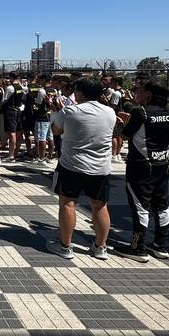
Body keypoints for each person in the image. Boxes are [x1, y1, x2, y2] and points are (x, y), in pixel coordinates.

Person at [48, 77, 116, 261]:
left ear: (82, 93)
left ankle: (65, 246)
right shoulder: (110, 112)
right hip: (100, 167)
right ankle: (100, 247)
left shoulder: (70, 111)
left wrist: (58, 110)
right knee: (100, 206)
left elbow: (56, 130)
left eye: (76, 90)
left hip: (72, 165)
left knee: (68, 204)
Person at [113, 81, 169, 262]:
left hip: (140, 165)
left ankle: (138, 248)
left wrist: (121, 122)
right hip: (162, 163)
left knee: (140, 206)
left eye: (139, 91)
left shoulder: (140, 112)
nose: (136, 94)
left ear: (148, 94)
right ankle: (160, 245)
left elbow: (125, 135)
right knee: (161, 204)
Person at [2, 72, 25, 162]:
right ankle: (16, 153)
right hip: (19, 111)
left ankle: (11, 155)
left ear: (11, 78)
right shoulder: (21, 87)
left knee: (12, 133)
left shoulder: (10, 88)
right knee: (19, 133)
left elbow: (4, 100)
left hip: (11, 111)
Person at [33, 74, 53, 164]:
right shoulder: (54, 90)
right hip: (51, 116)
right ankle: (50, 156)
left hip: (42, 116)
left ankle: (41, 158)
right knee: (50, 137)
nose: (39, 81)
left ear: (44, 80)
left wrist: (33, 106)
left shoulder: (42, 91)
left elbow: (37, 104)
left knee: (42, 138)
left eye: (40, 80)